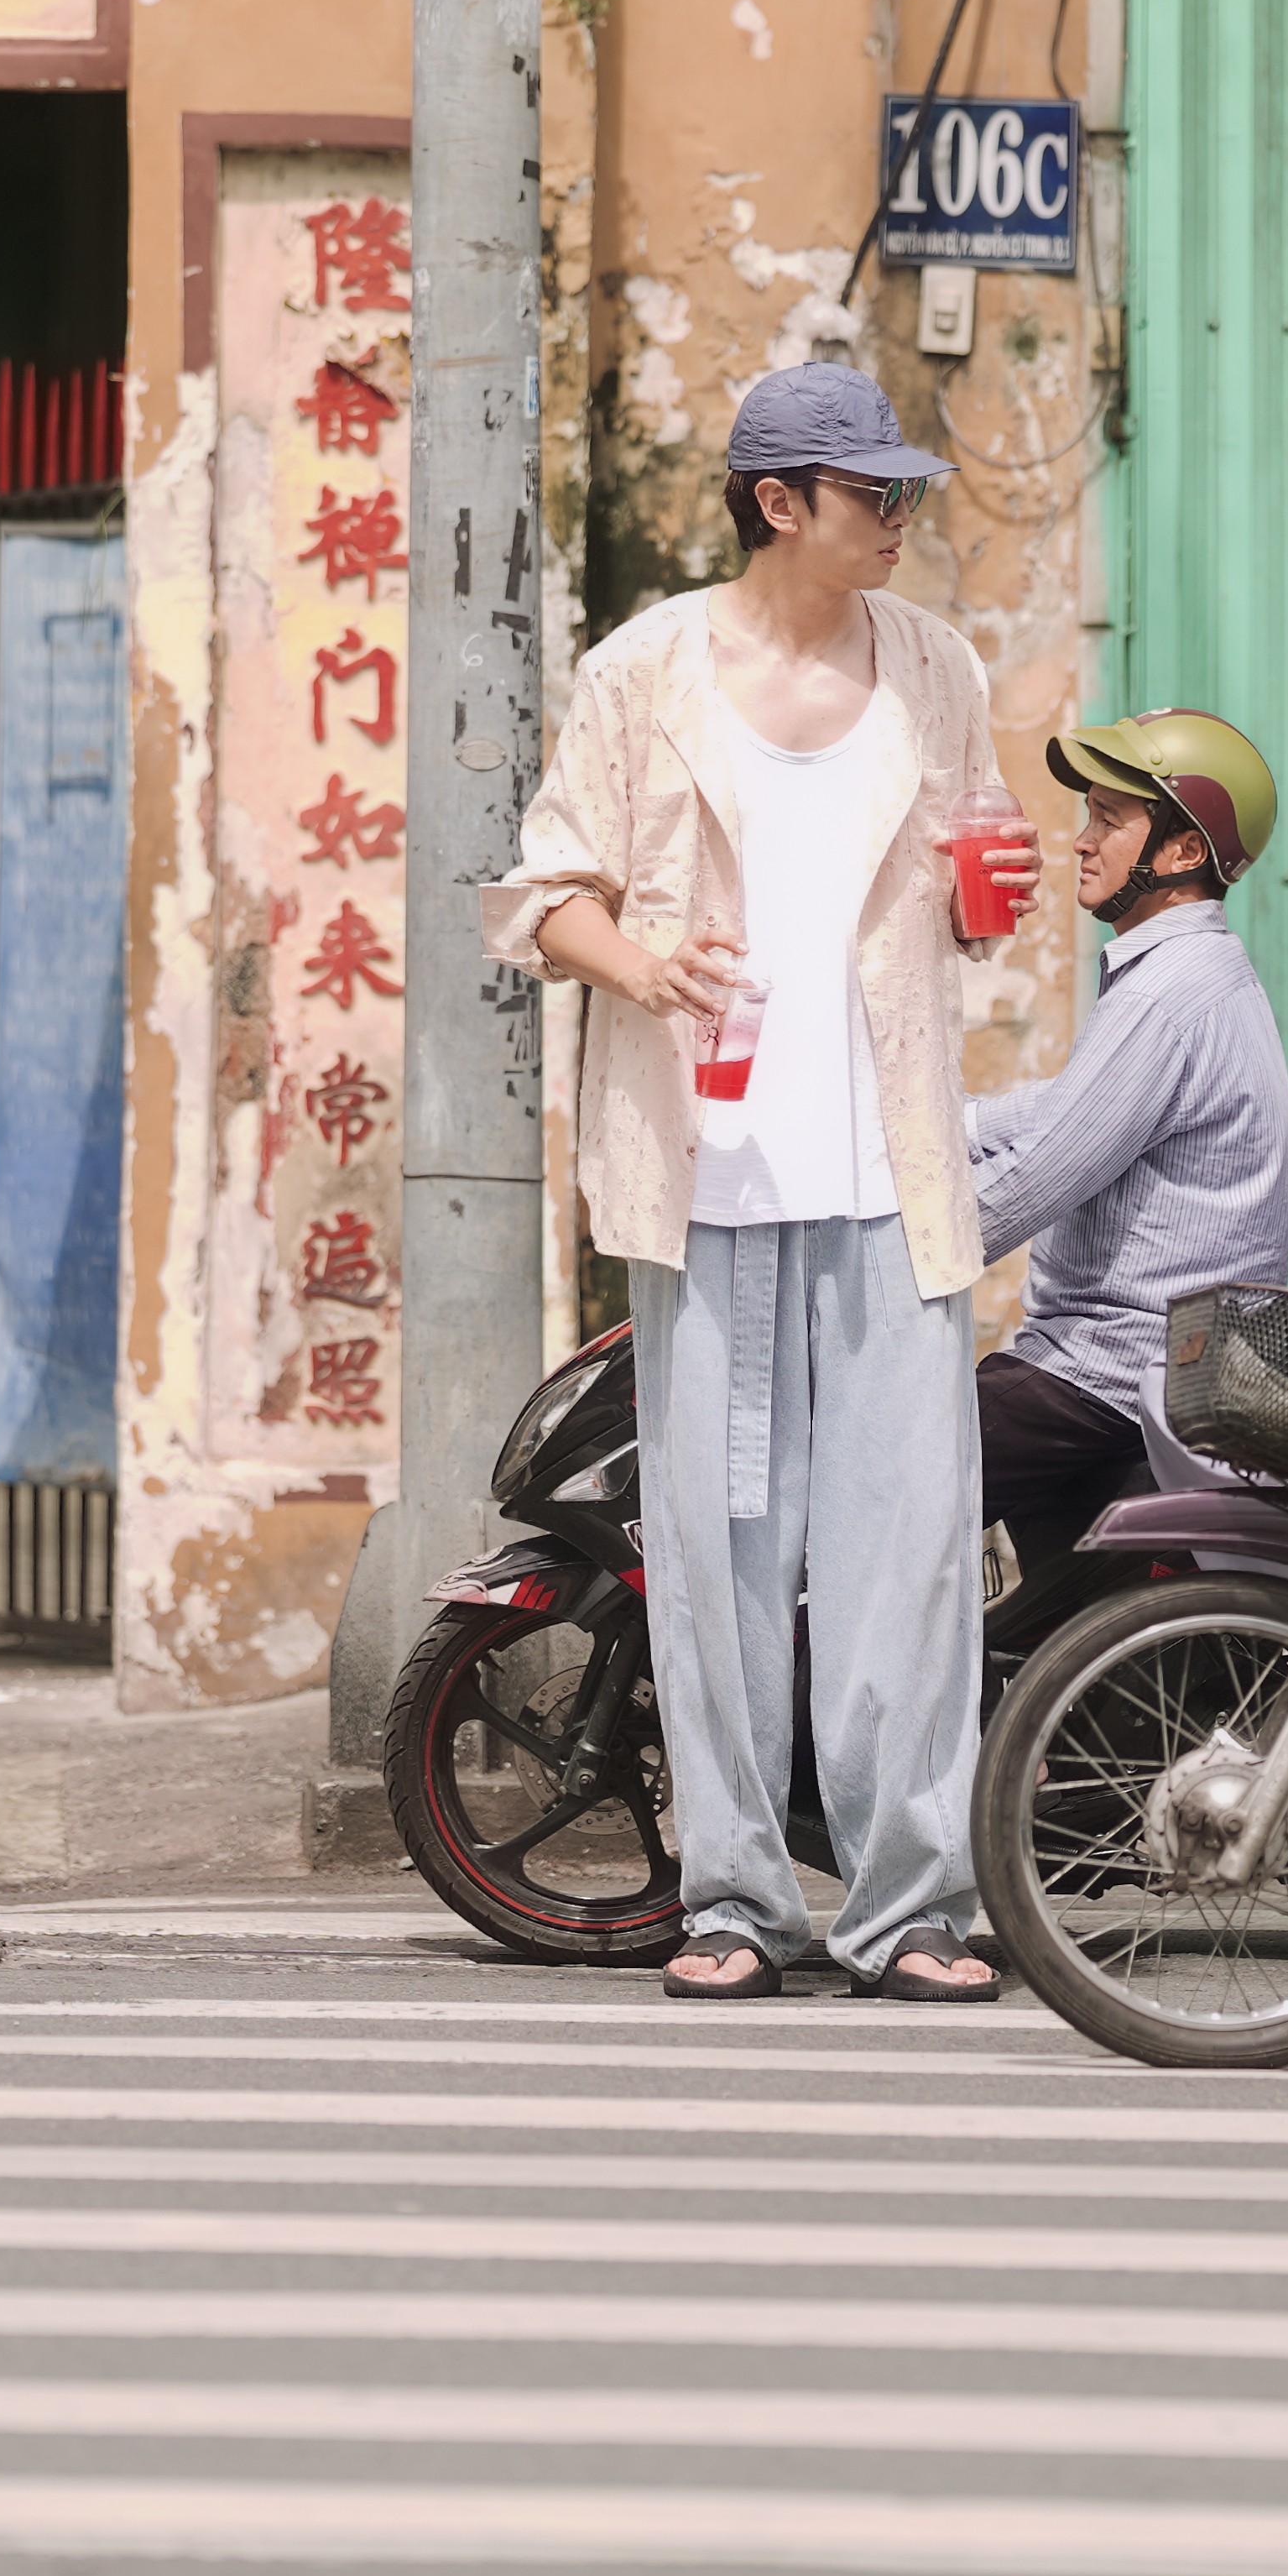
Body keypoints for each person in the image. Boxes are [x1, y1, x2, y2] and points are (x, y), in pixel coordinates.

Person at [489, 361, 1035, 2004]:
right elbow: (540, 895)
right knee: (719, 1549)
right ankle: (733, 1895)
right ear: (779, 501)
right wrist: (650, 965)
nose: (901, 522)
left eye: (907, 495)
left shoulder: (935, 666)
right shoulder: (646, 671)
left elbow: (980, 872)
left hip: (890, 1178)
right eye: (876, 496)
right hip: (706, 1178)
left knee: (911, 1549)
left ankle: (910, 1903)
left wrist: (988, 886)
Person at [964, 708, 1288, 1575]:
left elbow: (1036, 1177)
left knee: (871, 1478)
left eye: (1111, 820)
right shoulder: (1191, 977)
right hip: (1143, 1359)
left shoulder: (1168, 998)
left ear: (1184, 853)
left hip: (1108, 1368)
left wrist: (872, 1250)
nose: (1082, 841)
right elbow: (1063, 1112)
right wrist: (935, 1129)